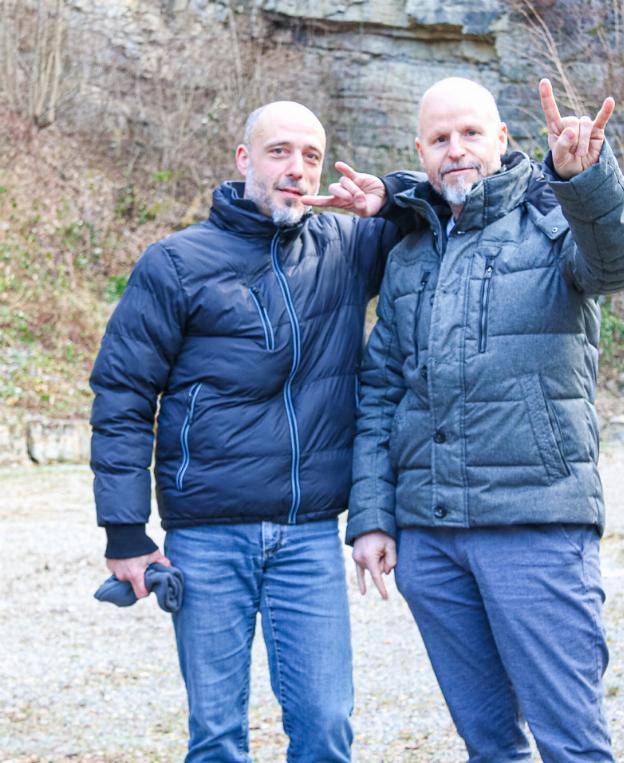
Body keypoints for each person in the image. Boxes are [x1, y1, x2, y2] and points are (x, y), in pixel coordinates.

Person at [89, 100, 415, 763]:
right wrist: (124, 531)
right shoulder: (174, 264)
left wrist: (389, 197)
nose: (297, 169)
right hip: (206, 537)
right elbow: (122, 394)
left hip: (308, 536)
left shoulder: (346, 248)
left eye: (312, 156)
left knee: (325, 729)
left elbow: (437, 210)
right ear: (244, 161)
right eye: (279, 152)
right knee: (216, 738)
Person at [347, 77, 624, 762]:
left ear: (503, 140)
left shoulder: (553, 218)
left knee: (572, 744)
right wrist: (372, 516)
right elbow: (378, 392)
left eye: (470, 134)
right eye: (439, 138)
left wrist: (589, 180)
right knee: (489, 745)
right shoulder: (408, 255)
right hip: (431, 542)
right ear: (420, 151)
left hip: (537, 527)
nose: (455, 150)